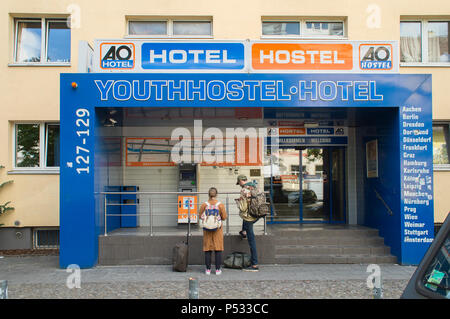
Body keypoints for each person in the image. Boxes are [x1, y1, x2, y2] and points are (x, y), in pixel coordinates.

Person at [199, 187, 227, 275]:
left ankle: (208, 269)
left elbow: (200, 215)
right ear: (216, 194)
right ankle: (218, 269)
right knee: (218, 248)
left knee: (207, 248)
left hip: (207, 230)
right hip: (217, 230)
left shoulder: (204, 204)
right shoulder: (220, 205)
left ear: (208, 194)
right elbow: (224, 217)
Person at [236, 175, 259, 272]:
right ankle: (244, 231)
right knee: (244, 219)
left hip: (249, 216)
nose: (239, 185)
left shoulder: (244, 190)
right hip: (257, 213)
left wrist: (239, 202)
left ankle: (254, 264)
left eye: (239, 183)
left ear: (241, 181)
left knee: (251, 241)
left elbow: (243, 208)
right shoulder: (255, 187)